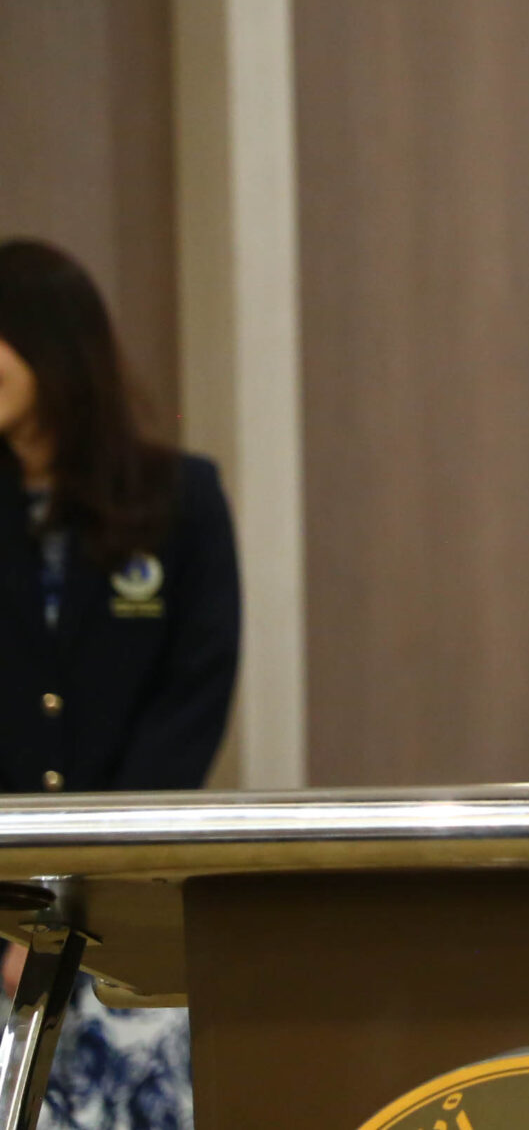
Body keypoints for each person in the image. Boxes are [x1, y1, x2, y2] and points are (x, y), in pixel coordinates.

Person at [0, 238, 242, 1130]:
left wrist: (83, 899)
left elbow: (193, 699)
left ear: (52, 344)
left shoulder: (181, 499)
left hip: (129, 934)